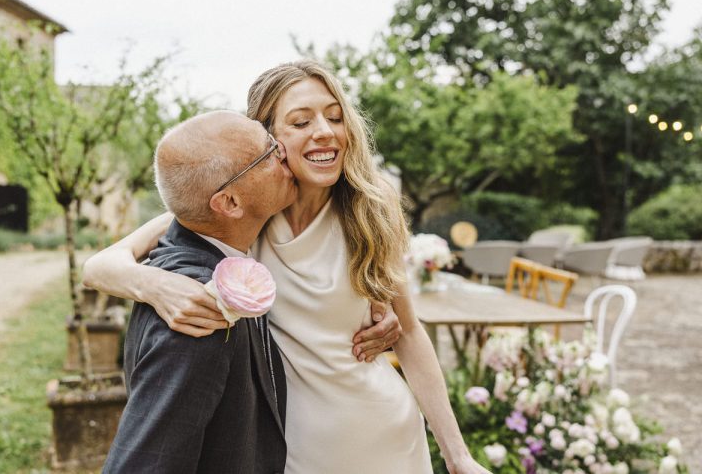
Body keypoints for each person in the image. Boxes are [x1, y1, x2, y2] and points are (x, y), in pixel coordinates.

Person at [85, 61, 490, 474]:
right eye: (300, 122)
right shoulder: (246, 213)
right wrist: (154, 285)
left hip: (384, 437)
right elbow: (100, 266)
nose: (325, 131)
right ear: (270, 139)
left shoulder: (371, 207)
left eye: (335, 116)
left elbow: (408, 331)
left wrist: (458, 457)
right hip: (287, 453)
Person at [102, 111, 296, 473]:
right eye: (268, 152)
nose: (282, 150)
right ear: (230, 203)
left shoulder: (203, 242)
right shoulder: (197, 310)